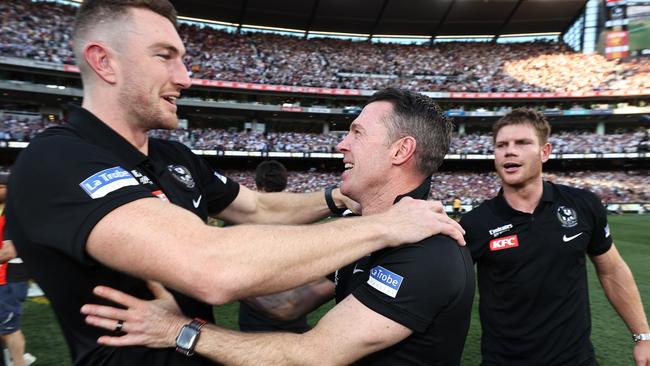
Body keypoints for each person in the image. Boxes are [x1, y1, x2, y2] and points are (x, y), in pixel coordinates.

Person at [3, 2, 465, 366]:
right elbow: (210, 267)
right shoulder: (57, 160)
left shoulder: (174, 157)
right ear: (104, 62)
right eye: (165, 56)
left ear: (400, 152)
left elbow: (261, 210)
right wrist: (385, 225)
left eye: (182, 58)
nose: (185, 77)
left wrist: (339, 199)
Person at [81, 88, 476, 365]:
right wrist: (194, 272)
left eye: (357, 132)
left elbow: (311, 357)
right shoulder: (364, 231)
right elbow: (287, 305)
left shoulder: (429, 253)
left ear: (400, 150)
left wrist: (179, 330)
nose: (342, 144)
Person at [460, 108, 650, 365]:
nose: (509, 151)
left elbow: (612, 270)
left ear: (545, 152)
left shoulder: (582, 204)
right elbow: (445, 288)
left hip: (576, 360)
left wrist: (643, 336)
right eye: (501, 145)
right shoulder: (476, 223)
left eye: (522, 143)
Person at [238, 160, 319, 334]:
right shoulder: (300, 219)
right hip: (294, 311)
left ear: (257, 182)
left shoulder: (239, 219)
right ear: (285, 182)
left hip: (254, 317)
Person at [0, 174, 36, 366]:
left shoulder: (13, 213)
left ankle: (19, 361)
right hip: (5, 277)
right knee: (5, 325)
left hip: (10, 278)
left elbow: (9, 251)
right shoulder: (5, 211)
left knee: (9, 328)